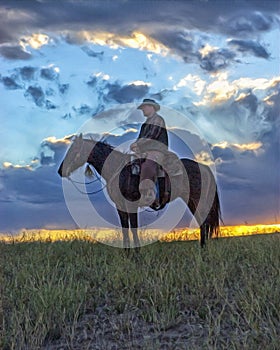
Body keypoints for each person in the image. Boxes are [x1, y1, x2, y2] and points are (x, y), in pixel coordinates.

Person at [130, 98, 169, 206]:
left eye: (144, 107)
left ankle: (151, 195)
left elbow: (152, 135)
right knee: (130, 164)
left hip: (157, 150)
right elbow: (141, 138)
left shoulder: (158, 120)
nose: (143, 110)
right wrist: (136, 146)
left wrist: (137, 144)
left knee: (148, 165)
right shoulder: (144, 125)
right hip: (145, 151)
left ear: (152, 107)